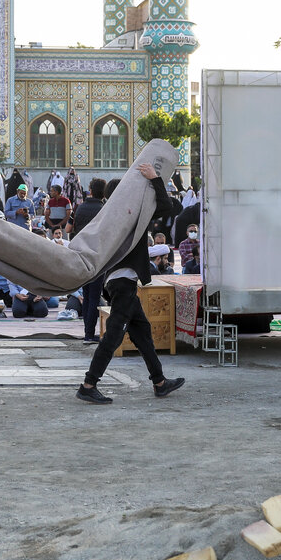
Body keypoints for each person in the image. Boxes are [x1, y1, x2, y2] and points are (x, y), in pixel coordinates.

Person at [77, 162, 185, 405]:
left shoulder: (112, 216)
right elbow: (170, 206)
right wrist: (155, 179)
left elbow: (171, 206)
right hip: (122, 282)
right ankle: (88, 384)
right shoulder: (127, 215)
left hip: (121, 281)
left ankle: (159, 382)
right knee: (114, 336)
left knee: (143, 334)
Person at [72, 177, 108, 343]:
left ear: (90, 190)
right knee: (94, 296)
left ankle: (87, 332)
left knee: (87, 296)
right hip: (97, 258)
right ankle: (89, 334)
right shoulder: (104, 210)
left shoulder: (80, 208)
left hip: (81, 256)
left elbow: (72, 230)